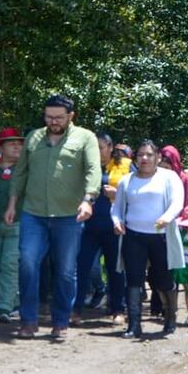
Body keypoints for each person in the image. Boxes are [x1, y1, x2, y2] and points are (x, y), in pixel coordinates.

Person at [4, 95, 102, 341]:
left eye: (58, 117)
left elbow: (93, 170)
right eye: (49, 117)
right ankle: (28, 320)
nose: (53, 121)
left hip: (69, 215)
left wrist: (88, 200)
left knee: (66, 270)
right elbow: (21, 173)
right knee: (27, 262)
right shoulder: (34, 137)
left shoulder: (85, 138)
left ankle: (60, 321)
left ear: (71, 116)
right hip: (33, 214)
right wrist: (12, 204)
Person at [111, 140, 185, 337]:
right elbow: (117, 208)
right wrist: (117, 221)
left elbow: (178, 202)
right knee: (133, 280)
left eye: (149, 155)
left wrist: (167, 217)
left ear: (158, 157)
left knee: (162, 280)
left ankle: (170, 317)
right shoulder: (127, 180)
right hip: (133, 236)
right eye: (141, 155)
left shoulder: (169, 177)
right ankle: (134, 324)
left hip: (161, 236)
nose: (144, 158)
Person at [74, 132, 129, 325]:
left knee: (116, 269)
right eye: (93, 147)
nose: (97, 151)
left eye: (101, 147)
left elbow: (139, 191)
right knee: (81, 267)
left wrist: (118, 194)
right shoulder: (85, 166)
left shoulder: (126, 165)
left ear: (111, 147)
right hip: (87, 226)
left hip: (114, 226)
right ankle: (76, 309)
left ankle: (118, 309)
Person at [0, 127, 25, 323]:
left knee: (10, 263)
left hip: (18, 224)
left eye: (20, 143)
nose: (17, 146)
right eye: (12, 143)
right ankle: (15, 300)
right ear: (1, 147)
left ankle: (4, 308)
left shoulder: (27, 168)